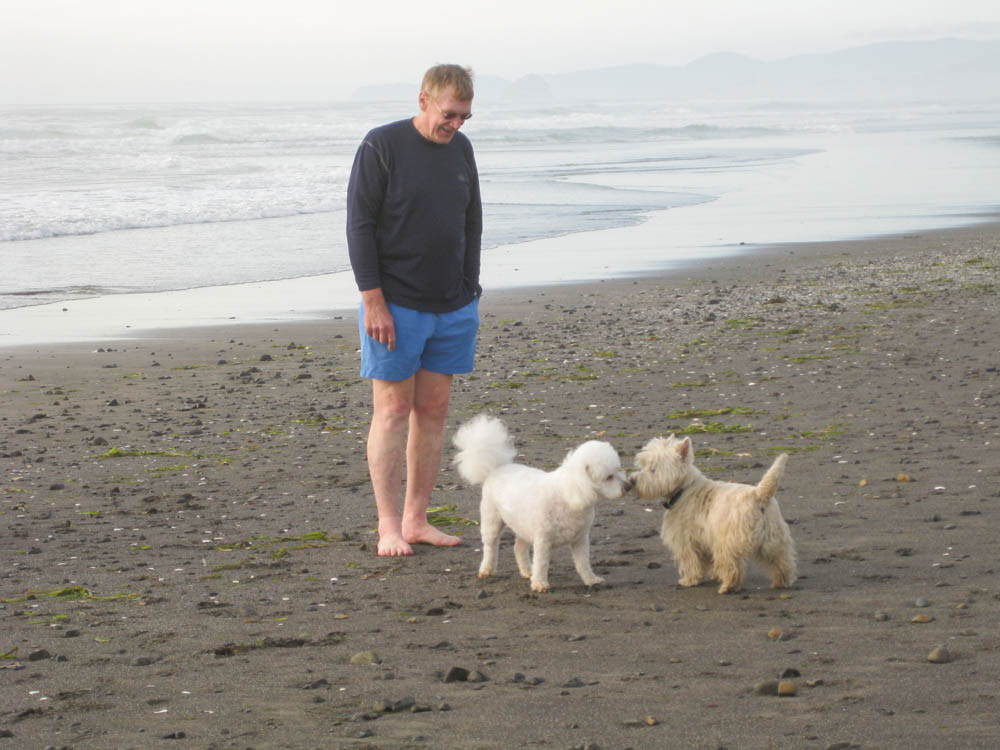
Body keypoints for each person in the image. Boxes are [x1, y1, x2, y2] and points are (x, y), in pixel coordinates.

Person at [346, 64, 483, 557]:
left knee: (434, 410)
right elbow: (360, 226)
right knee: (392, 411)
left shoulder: (461, 149)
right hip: (396, 305)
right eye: (450, 114)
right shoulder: (381, 145)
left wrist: (471, 288)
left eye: (465, 117)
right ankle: (388, 526)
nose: (457, 125)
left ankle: (417, 519)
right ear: (423, 100)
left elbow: (472, 222)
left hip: (453, 304)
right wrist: (373, 300)